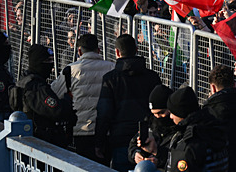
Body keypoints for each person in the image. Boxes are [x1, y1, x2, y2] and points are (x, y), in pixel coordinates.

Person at [95, 34, 162, 172]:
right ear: (136, 49)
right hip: (147, 139)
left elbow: (104, 114)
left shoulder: (110, 79)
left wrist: (99, 143)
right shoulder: (152, 77)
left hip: (120, 139)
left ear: (117, 52)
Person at [50, 33, 115, 161]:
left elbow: (54, 93)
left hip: (81, 129)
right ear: (98, 50)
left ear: (79, 51)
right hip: (107, 130)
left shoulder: (71, 70)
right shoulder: (112, 68)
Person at [11, 44, 77, 147]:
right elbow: (56, 110)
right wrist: (67, 100)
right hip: (41, 141)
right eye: (48, 61)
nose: (51, 65)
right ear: (38, 62)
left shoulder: (24, 81)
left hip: (30, 137)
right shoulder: (37, 87)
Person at [163, 86, 228, 172]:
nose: (170, 117)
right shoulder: (213, 127)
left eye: (172, 113)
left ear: (181, 113)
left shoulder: (190, 141)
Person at [128, 85, 178, 169]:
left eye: (161, 113)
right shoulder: (150, 124)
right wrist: (136, 154)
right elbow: (133, 144)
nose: (157, 117)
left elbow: (179, 157)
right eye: (154, 114)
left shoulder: (179, 129)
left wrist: (157, 154)